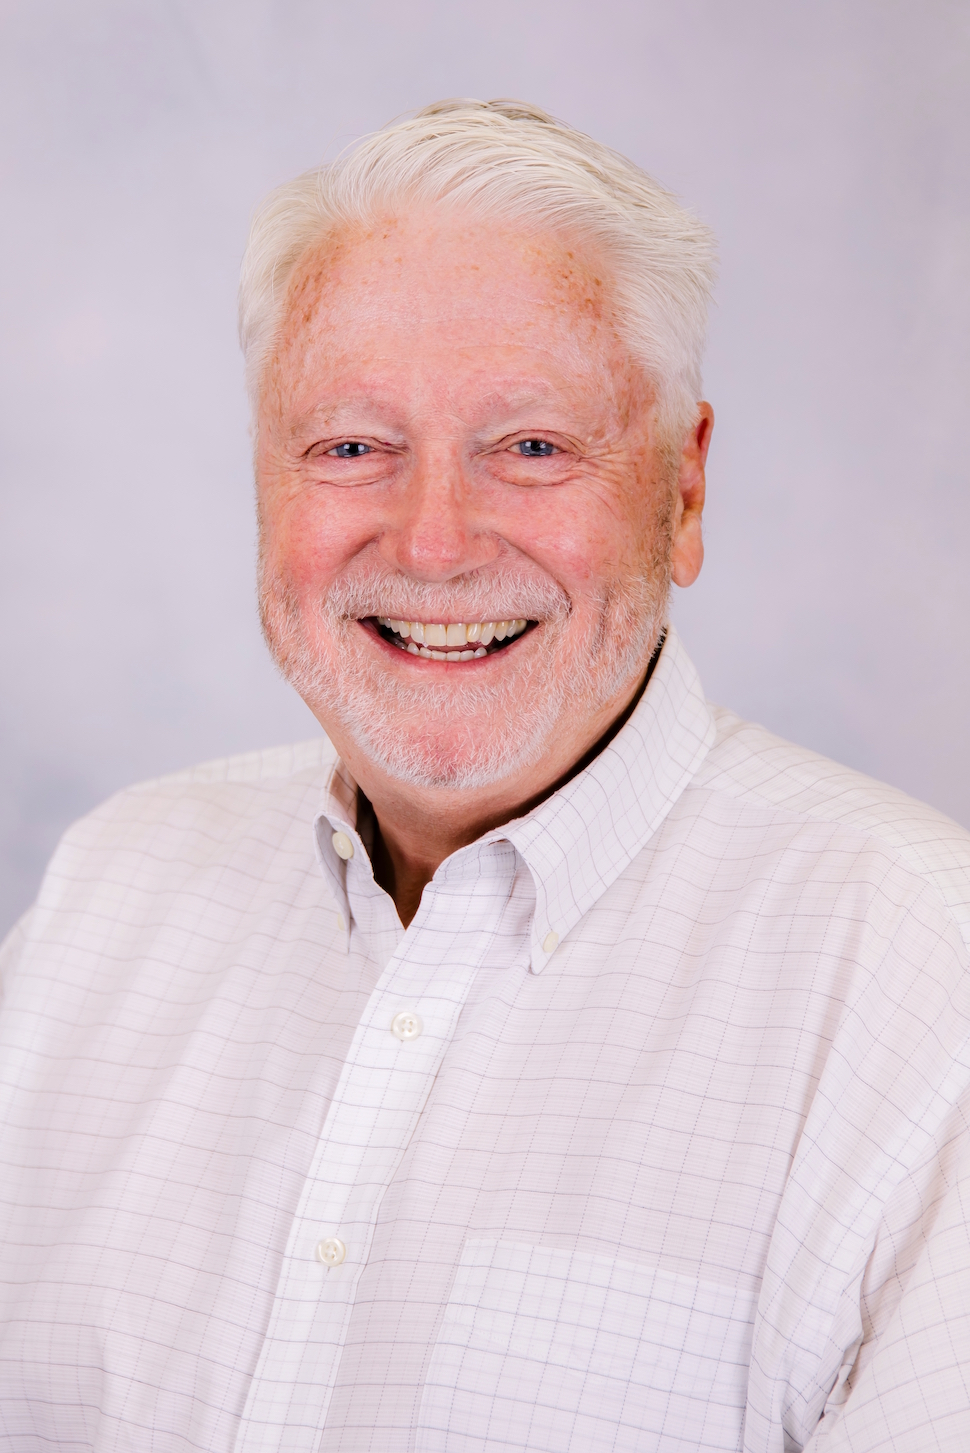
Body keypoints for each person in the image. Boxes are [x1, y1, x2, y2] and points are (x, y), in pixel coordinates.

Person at [1, 98, 968, 1453]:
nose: (435, 543)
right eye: (350, 446)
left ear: (682, 494)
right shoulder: (111, 894)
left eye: (531, 447)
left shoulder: (921, 976)